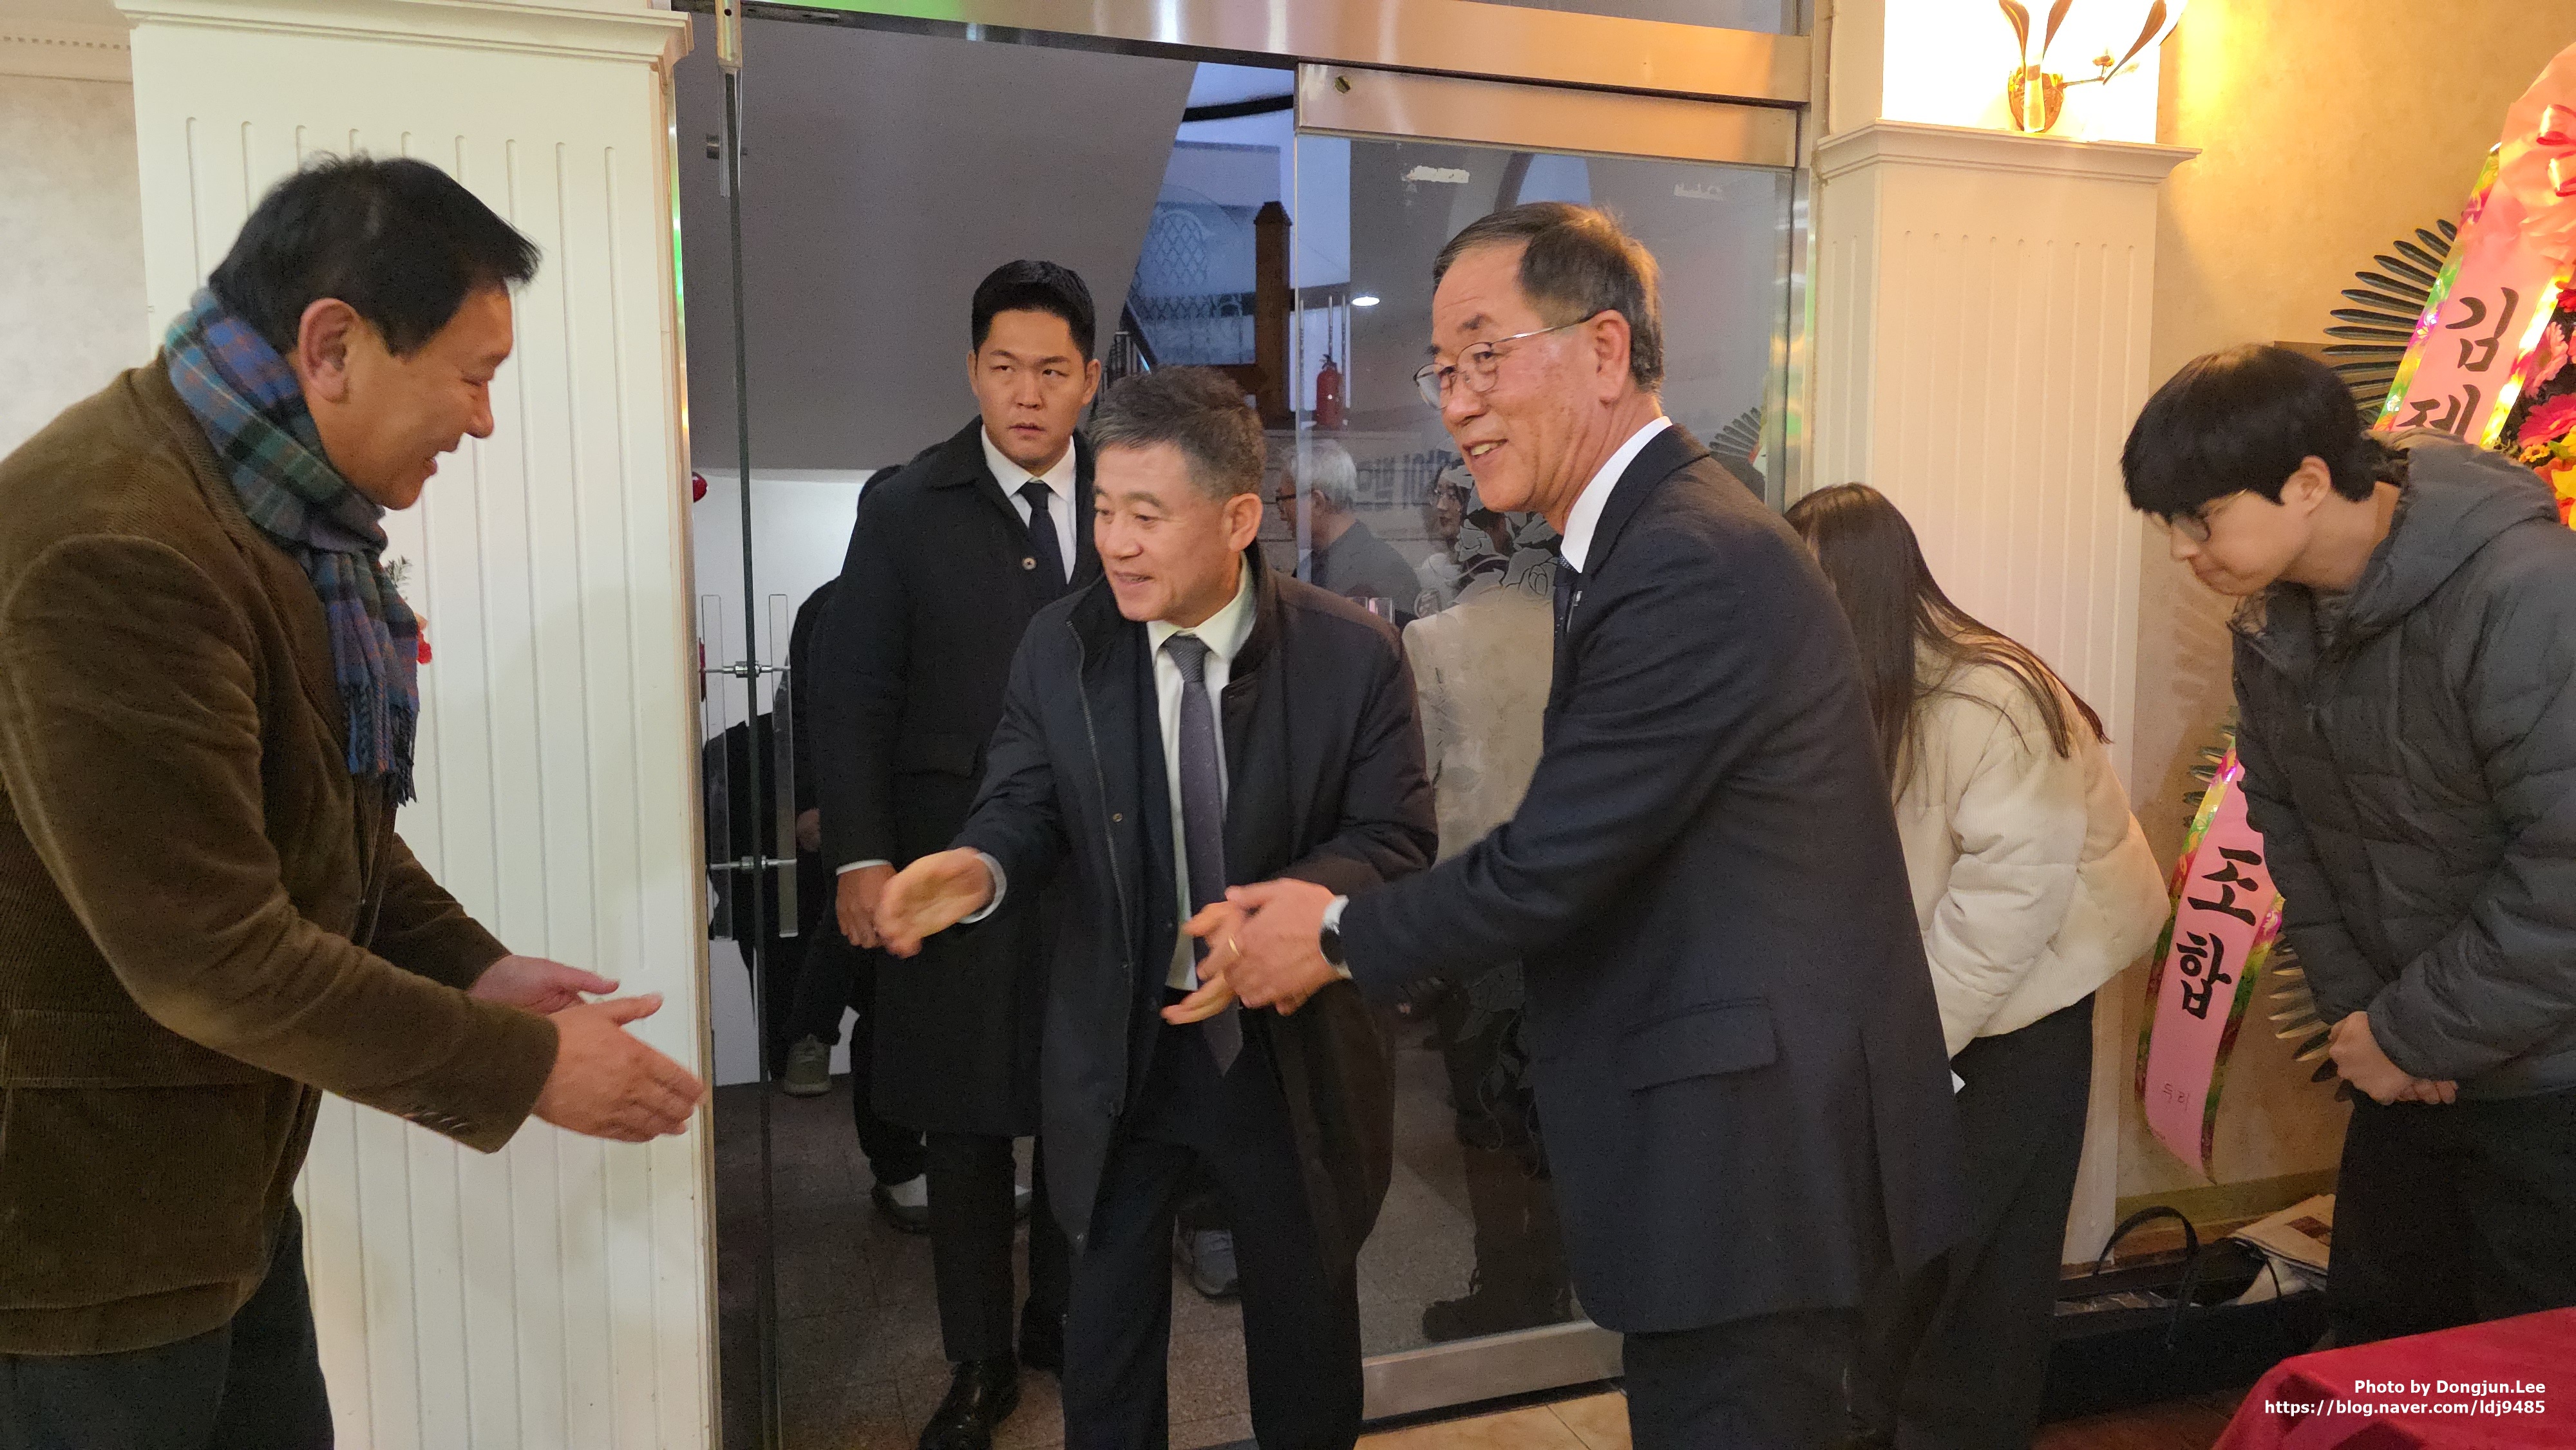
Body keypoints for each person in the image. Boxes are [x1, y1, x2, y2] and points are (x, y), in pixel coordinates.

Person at [1212, 202, 1969, 1449]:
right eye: (1442, 370)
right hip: (1723, 1166)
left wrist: (1335, 933)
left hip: (1761, 1184)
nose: (1457, 403)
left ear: (1605, 350)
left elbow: (1557, 859)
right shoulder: (1630, 539)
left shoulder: (1687, 556)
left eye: (1484, 355)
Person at [0, 156, 703, 1449]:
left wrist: (476, 969)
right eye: (473, 375)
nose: (483, 421)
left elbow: (328, 827)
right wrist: (531, 1067)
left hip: (213, 1198)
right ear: (333, 345)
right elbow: (210, 952)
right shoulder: (121, 543)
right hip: (80, 1249)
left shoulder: (273, 524)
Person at [872, 366, 1434, 1450]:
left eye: (1147, 515)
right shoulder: (1063, 645)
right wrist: (980, 869)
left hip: (1287, 1048)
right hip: (1120, 1052)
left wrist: (1290, 915)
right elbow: (1023, 803)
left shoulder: (1351, 657)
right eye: (1102, 512)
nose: (1116, 545)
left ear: (1237, 518)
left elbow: (1396, 841)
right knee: (1106, 1344)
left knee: (1306, 1340)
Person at [2122, 343, 2576, 1346]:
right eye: (2168, 524)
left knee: (2528, 1378)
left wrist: (2414, 1033)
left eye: (2201, 517)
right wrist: (2370, 1023)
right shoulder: (2276, 626)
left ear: (2307, 482)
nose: (2183, 551)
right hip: (2405, 1063)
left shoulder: (2530, 592)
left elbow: (2565, 872)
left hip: (2547, 1079)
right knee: (2385, 1356)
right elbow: (2292, 835)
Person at [1788, 482, 2168, 1449]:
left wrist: (1903, 1055)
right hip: (1933, 1004)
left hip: (2030, 1000)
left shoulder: (1994, 698)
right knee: (1902, 1247)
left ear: (1868, 588)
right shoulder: (1851, 689)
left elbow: (2006, 912)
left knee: (1985, 1264)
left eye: (1809, 584)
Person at [810, 260, 1095, 1449]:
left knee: (1087, 1101)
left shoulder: (1131, 492)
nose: (1028, 393)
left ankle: (1059, 1317)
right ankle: (978, 1361)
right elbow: (853, 693)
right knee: (968, 1122)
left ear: (1090, 379)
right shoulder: (908, 505)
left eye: (1053, 370)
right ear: (972, 369)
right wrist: (859, 857)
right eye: (1005, 367)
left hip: (1096, 867)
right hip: (948, 860)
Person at [1401, 507, 1574, 1342]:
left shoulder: (1436, 640)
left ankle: (1506, 1285)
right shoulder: (1593, 632)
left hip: (1476, 911)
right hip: (1581, 912)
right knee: (1569, 1111)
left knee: (1487, 1115)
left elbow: (1413, 794)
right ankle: (1563, 1282)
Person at [778, 576, 930, 1226]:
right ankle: (900, 1165)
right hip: (873, 821)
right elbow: (808, 714)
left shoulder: (864, 598)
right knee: (885, 995)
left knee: (905, 1000)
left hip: (921, 819)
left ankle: (811, 1029)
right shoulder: (838, 604)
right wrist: (813, 803)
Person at [1276, 438, 1420, 617]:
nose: (1281, 514)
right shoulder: (1312, 565)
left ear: (1317, 502)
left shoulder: (1385, 572)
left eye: (1282, 500)